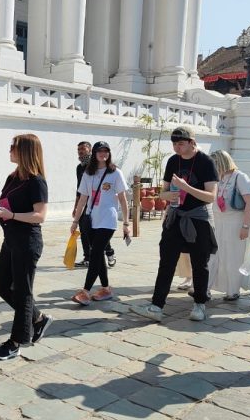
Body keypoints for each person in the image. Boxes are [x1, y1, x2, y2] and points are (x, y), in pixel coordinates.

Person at [0, 134, 53, 360]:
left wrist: (11, 215)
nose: (9, 150)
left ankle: (16, 342)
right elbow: (7, 206)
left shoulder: (36, 181)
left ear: (26, 151)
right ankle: (38, 319)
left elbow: (40, 216)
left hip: (27, 241)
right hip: (10, 239)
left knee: (22, 291)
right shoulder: (13, 177)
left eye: (13, 147)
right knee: (3, 287)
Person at [130, 126, 218, 322]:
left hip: (198, 218)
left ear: (192, 142)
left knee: (200, 263)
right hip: (176, 216)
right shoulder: (172, 161)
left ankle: (199, 305)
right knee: (166, 262)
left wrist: (187, 187)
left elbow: (211, 196)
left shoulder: (206, 162)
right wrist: (166, 195)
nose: (177, 147)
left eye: (181, 143)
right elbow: (163, 191)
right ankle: (156, 306)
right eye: (174, 144)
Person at [70, 141, 130, 305]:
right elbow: (83, 198)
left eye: (106, 151)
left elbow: (123, 199)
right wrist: (75, 221)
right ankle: (105, 289)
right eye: (100, 151)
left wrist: (126, 223)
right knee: (98, 253)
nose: (103, 154)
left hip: (108, 219)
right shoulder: (87, 173)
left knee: (95, 253)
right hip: (91, 218)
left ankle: (85, 291)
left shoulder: (115, 173)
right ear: (94, 153)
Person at [208, 150, 250, 301]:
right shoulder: (218, 178)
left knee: (233, 258)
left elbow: (249, 203)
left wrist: (245, 227)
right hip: (218, 222)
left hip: (235, 223)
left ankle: (233, 290)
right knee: (213, 256)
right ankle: (204, 288)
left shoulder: (240, 177)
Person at [75, 141, 117, 268]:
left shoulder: (95, 165)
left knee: (99, 230)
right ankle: (88, 257)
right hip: (85, 203)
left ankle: (109, 252)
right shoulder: (80, 168)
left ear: (90, 150)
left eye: (83, 149)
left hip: (98, 204)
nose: (81, 151)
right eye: (79, 149)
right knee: (84, 229)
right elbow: (79, 189)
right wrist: (76, 207)